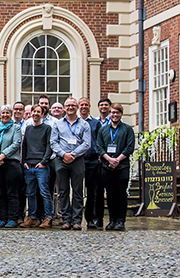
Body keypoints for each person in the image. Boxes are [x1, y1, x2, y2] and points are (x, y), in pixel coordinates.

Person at [50, 97, 92, 230]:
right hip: (61, 160)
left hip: (77, 160)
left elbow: (87, 144)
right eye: (67, 106)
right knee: (63, 191)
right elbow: (53, 142)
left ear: (77, 107)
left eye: (73, 105)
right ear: (64, 108)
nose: (70, 108)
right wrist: (64, 154)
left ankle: (77, 220)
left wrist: (73, 155)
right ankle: (66, 219)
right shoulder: (58, 124)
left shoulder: (84, 124)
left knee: (78, 191)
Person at [97, 103, 134, 231]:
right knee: (110, 194)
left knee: (121, 194)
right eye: (112, 112)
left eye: (117, 112)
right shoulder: (103, 130)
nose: (114, 115)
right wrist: (109, 159)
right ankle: (112, 220)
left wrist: (118, 159)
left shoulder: (127, 129)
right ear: (109, 114)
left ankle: (120, 220)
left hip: (122, 166)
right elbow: (99, 146)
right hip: (107, 166)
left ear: (121, 114)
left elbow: (129, 147)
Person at [20, 103, 53, 228]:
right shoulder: (28, 128)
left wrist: (44, 162)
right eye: (34, 111)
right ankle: (32, 217)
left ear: (42, 114)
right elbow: (25, 146)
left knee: (45, 192)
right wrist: (24, 162)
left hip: (41, 166)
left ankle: (48, 217)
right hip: (29, 166)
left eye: (38, 112)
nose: (35, 114)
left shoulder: (47, 128)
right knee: (30, 193)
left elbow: (49, 147)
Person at [0, 106, 23, 228]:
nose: (4, 115)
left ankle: (12, 218)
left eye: (7, 113)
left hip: (11, 163)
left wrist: (3, 155)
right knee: (0, 192)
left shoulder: (16, 128)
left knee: (12, 192)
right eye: (3, 113)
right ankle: (3, 218)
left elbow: (16, 144)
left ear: (11, 114)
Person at [79, 97, 104, 229]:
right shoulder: (74, 122)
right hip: (77, 160)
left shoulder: (95, 123)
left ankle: (91, 218)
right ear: (79, 107)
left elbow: (100, 140)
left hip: (93, 160)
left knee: (92, 191)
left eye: (86, 105)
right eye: (81, 105)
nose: (84, 107)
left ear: (89, 107)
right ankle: (76, 218)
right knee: (77, 191)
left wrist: (100, 155)